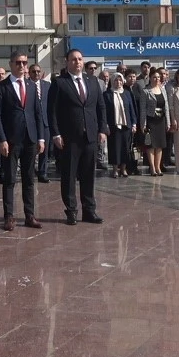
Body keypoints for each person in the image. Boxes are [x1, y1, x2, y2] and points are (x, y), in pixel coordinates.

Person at [46, 49, 108, 225]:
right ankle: (71, 210)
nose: (77, 62)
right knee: (69, 176)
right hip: (69, 137)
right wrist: (56, 133)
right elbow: (52, 111)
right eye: (73, 59)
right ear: (67, 62)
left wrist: (102, 129)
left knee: (88, 175)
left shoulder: (92, 81)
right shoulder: (59, 83)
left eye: (80, 59)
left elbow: (101, 107)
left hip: (90, 136)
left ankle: (89, 210)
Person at [0, 50, 45, 231]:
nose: (22, 66)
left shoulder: (31, 86)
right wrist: (2, 139)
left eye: (24, 62)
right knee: (9, 179)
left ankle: (30, 215)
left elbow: (37, 113)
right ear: (11, 64)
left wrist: (41, 138)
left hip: (30, 138)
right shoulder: (2, 87)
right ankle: (9, 216)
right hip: (11, 140)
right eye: (18, 63)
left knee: (29, 178)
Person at [138, 70, 171, 176]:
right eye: (154, 77)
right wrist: (143, 124)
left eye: (158, 77)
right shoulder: (145, 91)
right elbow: (143, 109)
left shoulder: (163, 90)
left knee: (160, 145)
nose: (157, 79)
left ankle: (158, 167)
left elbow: (166, 106)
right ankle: (152, 168)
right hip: (151, 120)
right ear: (150, 78)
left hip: (161, 120)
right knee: (151, 145)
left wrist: (168, 122)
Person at [104, 73, 137, 179]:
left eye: (120, 80)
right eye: (116, 80)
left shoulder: (127, 93)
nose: (118, 82)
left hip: (126, 125)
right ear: (112, 81)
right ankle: (115, 169)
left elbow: (131, 109)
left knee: (125, 148)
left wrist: (134, 123)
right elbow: (104, 111)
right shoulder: (107, 94)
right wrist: (105, 125)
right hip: (113, 126)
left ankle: (123, 169)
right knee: (115, 148)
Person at [30, 65, 52, 183]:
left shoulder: (47, 85)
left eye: (38, 71)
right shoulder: (26, 85)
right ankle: (30, 171)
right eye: (34, 71)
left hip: (45, 122)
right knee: (32, 148)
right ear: (29, 73)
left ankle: (43, 172)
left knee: (45, 149)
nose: (36, 73)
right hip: (32, 123)